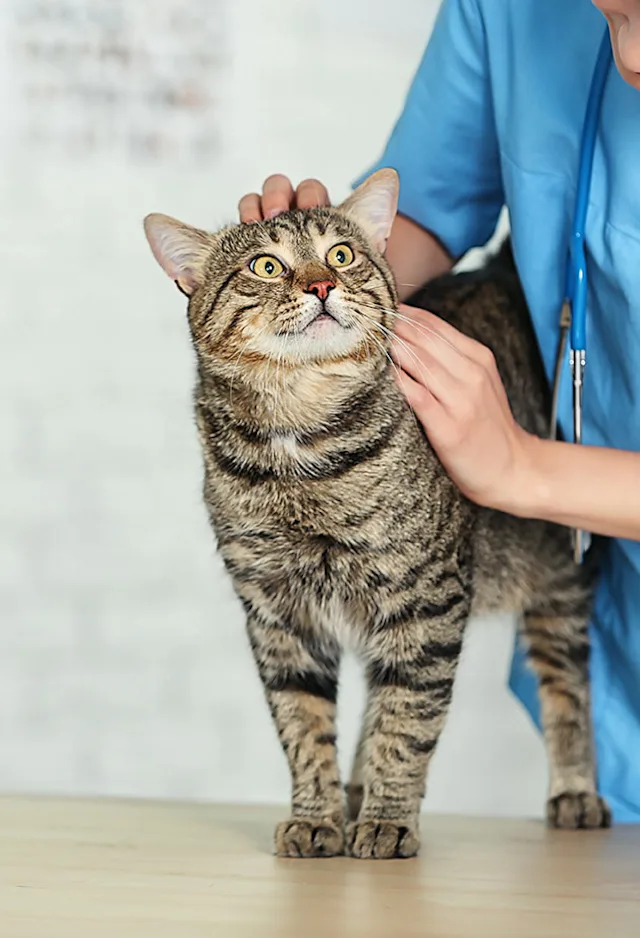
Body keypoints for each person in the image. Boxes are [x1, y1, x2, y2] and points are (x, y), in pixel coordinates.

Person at [237, 0, 640, 822]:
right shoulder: (508, 9)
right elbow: (421, 210)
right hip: (617, 651)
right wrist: (328, 267)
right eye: (612, 14)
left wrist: (524, 467)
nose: (629, 53)